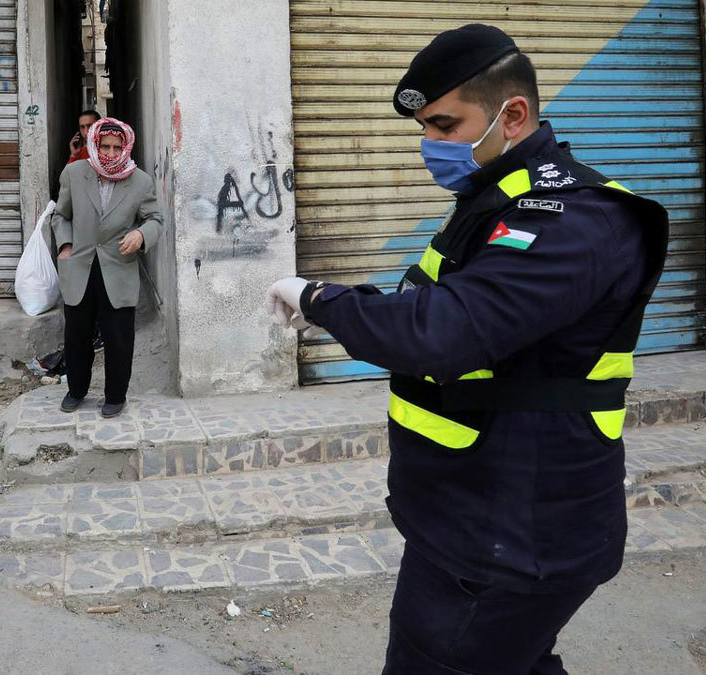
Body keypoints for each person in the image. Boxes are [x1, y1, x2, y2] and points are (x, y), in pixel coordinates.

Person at [266, 25, 668, 674]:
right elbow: (436, 305)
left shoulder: (572, 219)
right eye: (424, 127)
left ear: (511, 115)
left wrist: (322, 301)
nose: (431, 145)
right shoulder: (493, 202)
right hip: (475, 524)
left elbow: (444, 329)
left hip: (508, 542)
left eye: (445, 125)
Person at [51, 117, 162, 418]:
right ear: (95, 145)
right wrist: (65, 245)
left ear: (126, 147)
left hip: (119, 268)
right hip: (79, 266)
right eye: (105, 147)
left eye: (117, 147)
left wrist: (141, 235)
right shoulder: (74, 173)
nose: (111, 154)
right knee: (77, 335)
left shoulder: (140, 181)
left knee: (118, 337)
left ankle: (115, 396)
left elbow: (154, 220)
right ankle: (76, 390)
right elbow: (60, 215)